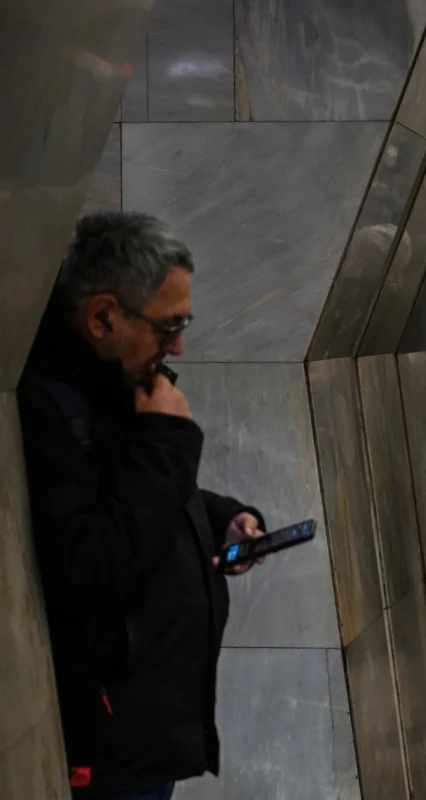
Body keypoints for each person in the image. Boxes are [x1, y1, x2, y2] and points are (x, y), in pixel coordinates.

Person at [18, 212, 270, 800]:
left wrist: (221, 519)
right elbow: (92, 561)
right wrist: (167, 443)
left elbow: (150, 500)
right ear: (103, 316)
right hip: (106, 744)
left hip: (149, 731)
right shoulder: (47, 407)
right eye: (168, 325)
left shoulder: (116, 384)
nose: (179, 344)